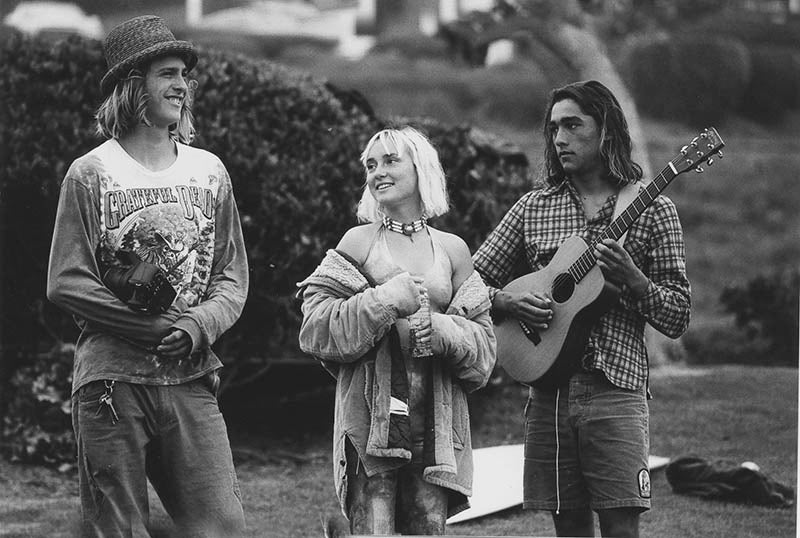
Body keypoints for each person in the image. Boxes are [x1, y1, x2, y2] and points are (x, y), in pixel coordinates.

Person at [46, 15, 248, 537]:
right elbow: (67, 281)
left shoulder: (209, 171)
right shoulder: (90, 173)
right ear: (133, 87)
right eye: (167, 74)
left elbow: (231, 277)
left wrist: (196, 325)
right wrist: (154, 328)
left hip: (190, 378)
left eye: (184, 74)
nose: (182, 86)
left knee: (221, 528)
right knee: (119, 530)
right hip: (111, 382)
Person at [473, 80, 691, 538]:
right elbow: (467, 283)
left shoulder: (654, 210)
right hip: (546, 392)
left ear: (606, 129)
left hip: (617, 389)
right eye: (554, 128)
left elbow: (677, 316)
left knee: (619, 529)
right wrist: (508, 300)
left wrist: (635, 280)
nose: (560, 139)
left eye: (573, 125)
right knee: (568, 528)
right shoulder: (534, 207)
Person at [297, 126, 497, 535]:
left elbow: (485, 351)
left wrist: (444, 329)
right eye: (371, 165)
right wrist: (385, 299)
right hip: (371, 427)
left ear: (420, 167)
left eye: (390, 161)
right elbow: (315, 327)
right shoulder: (359, 242)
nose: (377, 172)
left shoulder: (453, 250)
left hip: (437, 433)